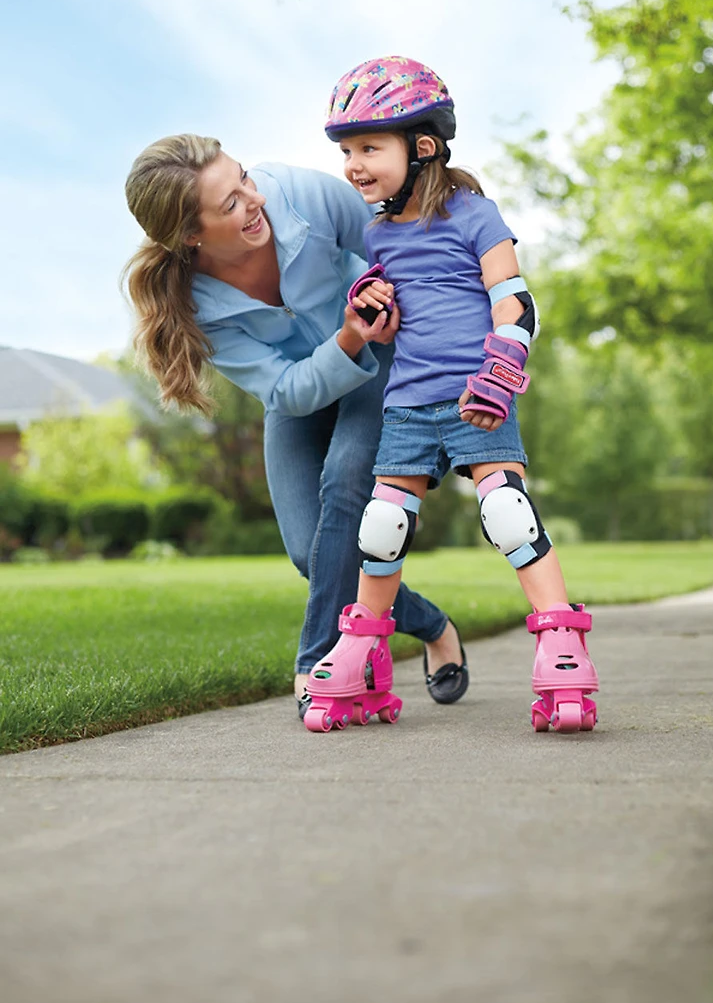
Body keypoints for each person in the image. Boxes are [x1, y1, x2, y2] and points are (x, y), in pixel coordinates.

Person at [122, 133, 470, 719]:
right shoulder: (194, 305)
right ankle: (435, 626)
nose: (253, 199)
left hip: (381, 354)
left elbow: (397, 247)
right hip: (303, 392)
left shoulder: (300, 195)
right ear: (190, 236)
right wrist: (346, 337)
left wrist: (398, 313)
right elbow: (285, 389)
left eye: (243, 178)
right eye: (230, 203)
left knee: (346, 481)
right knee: (315, 557)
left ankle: (317, 664)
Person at [302, 56, 599, 734]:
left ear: (424, 146)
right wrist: (372, 304)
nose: (353, 164)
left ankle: (562, 643)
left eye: (369, 147)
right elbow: (393, 318)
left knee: (508, 513)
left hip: (476, 396)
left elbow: (516, 302)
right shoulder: (378, 232)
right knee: (382, 527)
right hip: (407, 401)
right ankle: (362, 650)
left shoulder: (474, 214)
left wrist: (502, 370)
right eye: (346, 150)